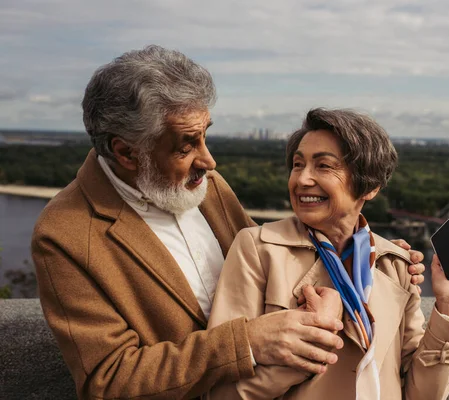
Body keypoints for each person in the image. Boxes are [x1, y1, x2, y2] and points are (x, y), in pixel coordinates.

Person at [31, 45, 426, 399]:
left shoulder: (206, 185)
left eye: (206, 136)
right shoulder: (64, 235)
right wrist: (247, 342)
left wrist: (370, 255)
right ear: (126, 152)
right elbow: (108, 381)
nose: (209, 160)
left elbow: (283, 256)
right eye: (187, 144)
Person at [207, 108, 449, 399]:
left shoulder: (395, 264)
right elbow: (223, 391)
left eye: (323, 166)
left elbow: (422, 394)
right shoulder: (258, 249)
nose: (302, 179)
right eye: (298, 165)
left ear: (371, 185)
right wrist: (315, 343)